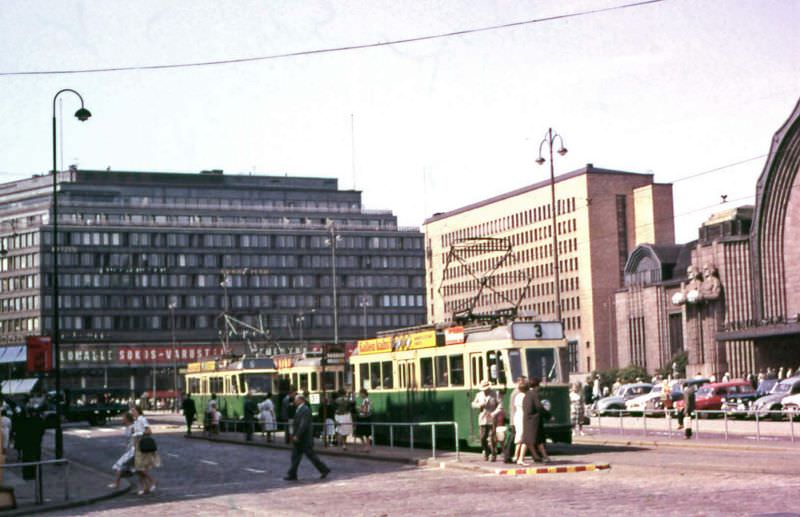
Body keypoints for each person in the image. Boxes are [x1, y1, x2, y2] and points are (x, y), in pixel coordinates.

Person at [284, 394, 330, 481]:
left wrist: (297, 435)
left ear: (301, 400)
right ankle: (292, 474)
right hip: (300, 439)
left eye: (296, 400)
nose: (294, 401)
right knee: (295, 456)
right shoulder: (300, 409)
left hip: (304, 438)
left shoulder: (305, 409)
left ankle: (324, 469)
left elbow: (303, 424)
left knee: (311, 456)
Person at [471, 380, 503, 461]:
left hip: (492, 418)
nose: (484, 390)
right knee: (482, 437)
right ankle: (486, 451)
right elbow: (473, 404)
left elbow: (500, 405)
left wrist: (494, 413)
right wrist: (479, 405)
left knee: (492, 437)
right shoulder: (479, 395)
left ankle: (493, 454)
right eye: (483, 389)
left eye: (486, 388)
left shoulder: (495, 394)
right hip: (482, 418)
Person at [521, 377, 551, 464]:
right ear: (537, 386)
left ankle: (540, 456)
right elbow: (539, 407)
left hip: (527, 419)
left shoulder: (527, 394)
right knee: (530, 440)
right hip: (534, 421)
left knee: (536, 440)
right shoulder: (534, 394)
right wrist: (548, 416)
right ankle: (521, 459)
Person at [131, 405, 160, 495]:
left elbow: (149, 431)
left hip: (142, 445)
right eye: (131, 411)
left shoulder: (142, 419)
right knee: (138, 468)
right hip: (136, 445)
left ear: (138, 411)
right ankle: (145, 487)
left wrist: (139, 433)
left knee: (139, 468)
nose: (132, 412)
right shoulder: (135, 421)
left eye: (134, 410)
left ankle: (152, 481)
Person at [109, 412, 136, 489]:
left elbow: (138, 437)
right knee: (137, 469)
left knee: (119, 465)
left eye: (123, 418)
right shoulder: (128, 427)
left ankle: (116, 484)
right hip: (129, 450)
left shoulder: (133, 427)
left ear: (127, 419)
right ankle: (150, 483)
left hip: (133, 450)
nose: (122, 419)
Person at [503, 376, 526, 464]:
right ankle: (508, 456)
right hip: (517, 418)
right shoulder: (517, 392)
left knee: (514, 437)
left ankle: (509, 455)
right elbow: (514, 408)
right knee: (513, 438)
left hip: (516, 418)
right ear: (520, 382)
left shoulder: (516, 392)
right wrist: (513, 421)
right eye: (523, 381)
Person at [513, 381, 529, 465]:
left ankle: (515, 456)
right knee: (525, 438)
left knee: (519, 436)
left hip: (517, 416)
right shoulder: (525, 397)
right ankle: (520, 458)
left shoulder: (517, 396)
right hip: (523, 417)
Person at [354, 388, 373, 453]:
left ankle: (366, 446)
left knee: (362, 433)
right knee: (366, 434)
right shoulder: (366, 400)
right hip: (365, 418)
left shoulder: (366, 400)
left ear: (364, 394)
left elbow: (366, 410)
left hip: (364, 418)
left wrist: (359, 409)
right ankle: (366, 447)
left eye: (361, 394)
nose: (360, 395)